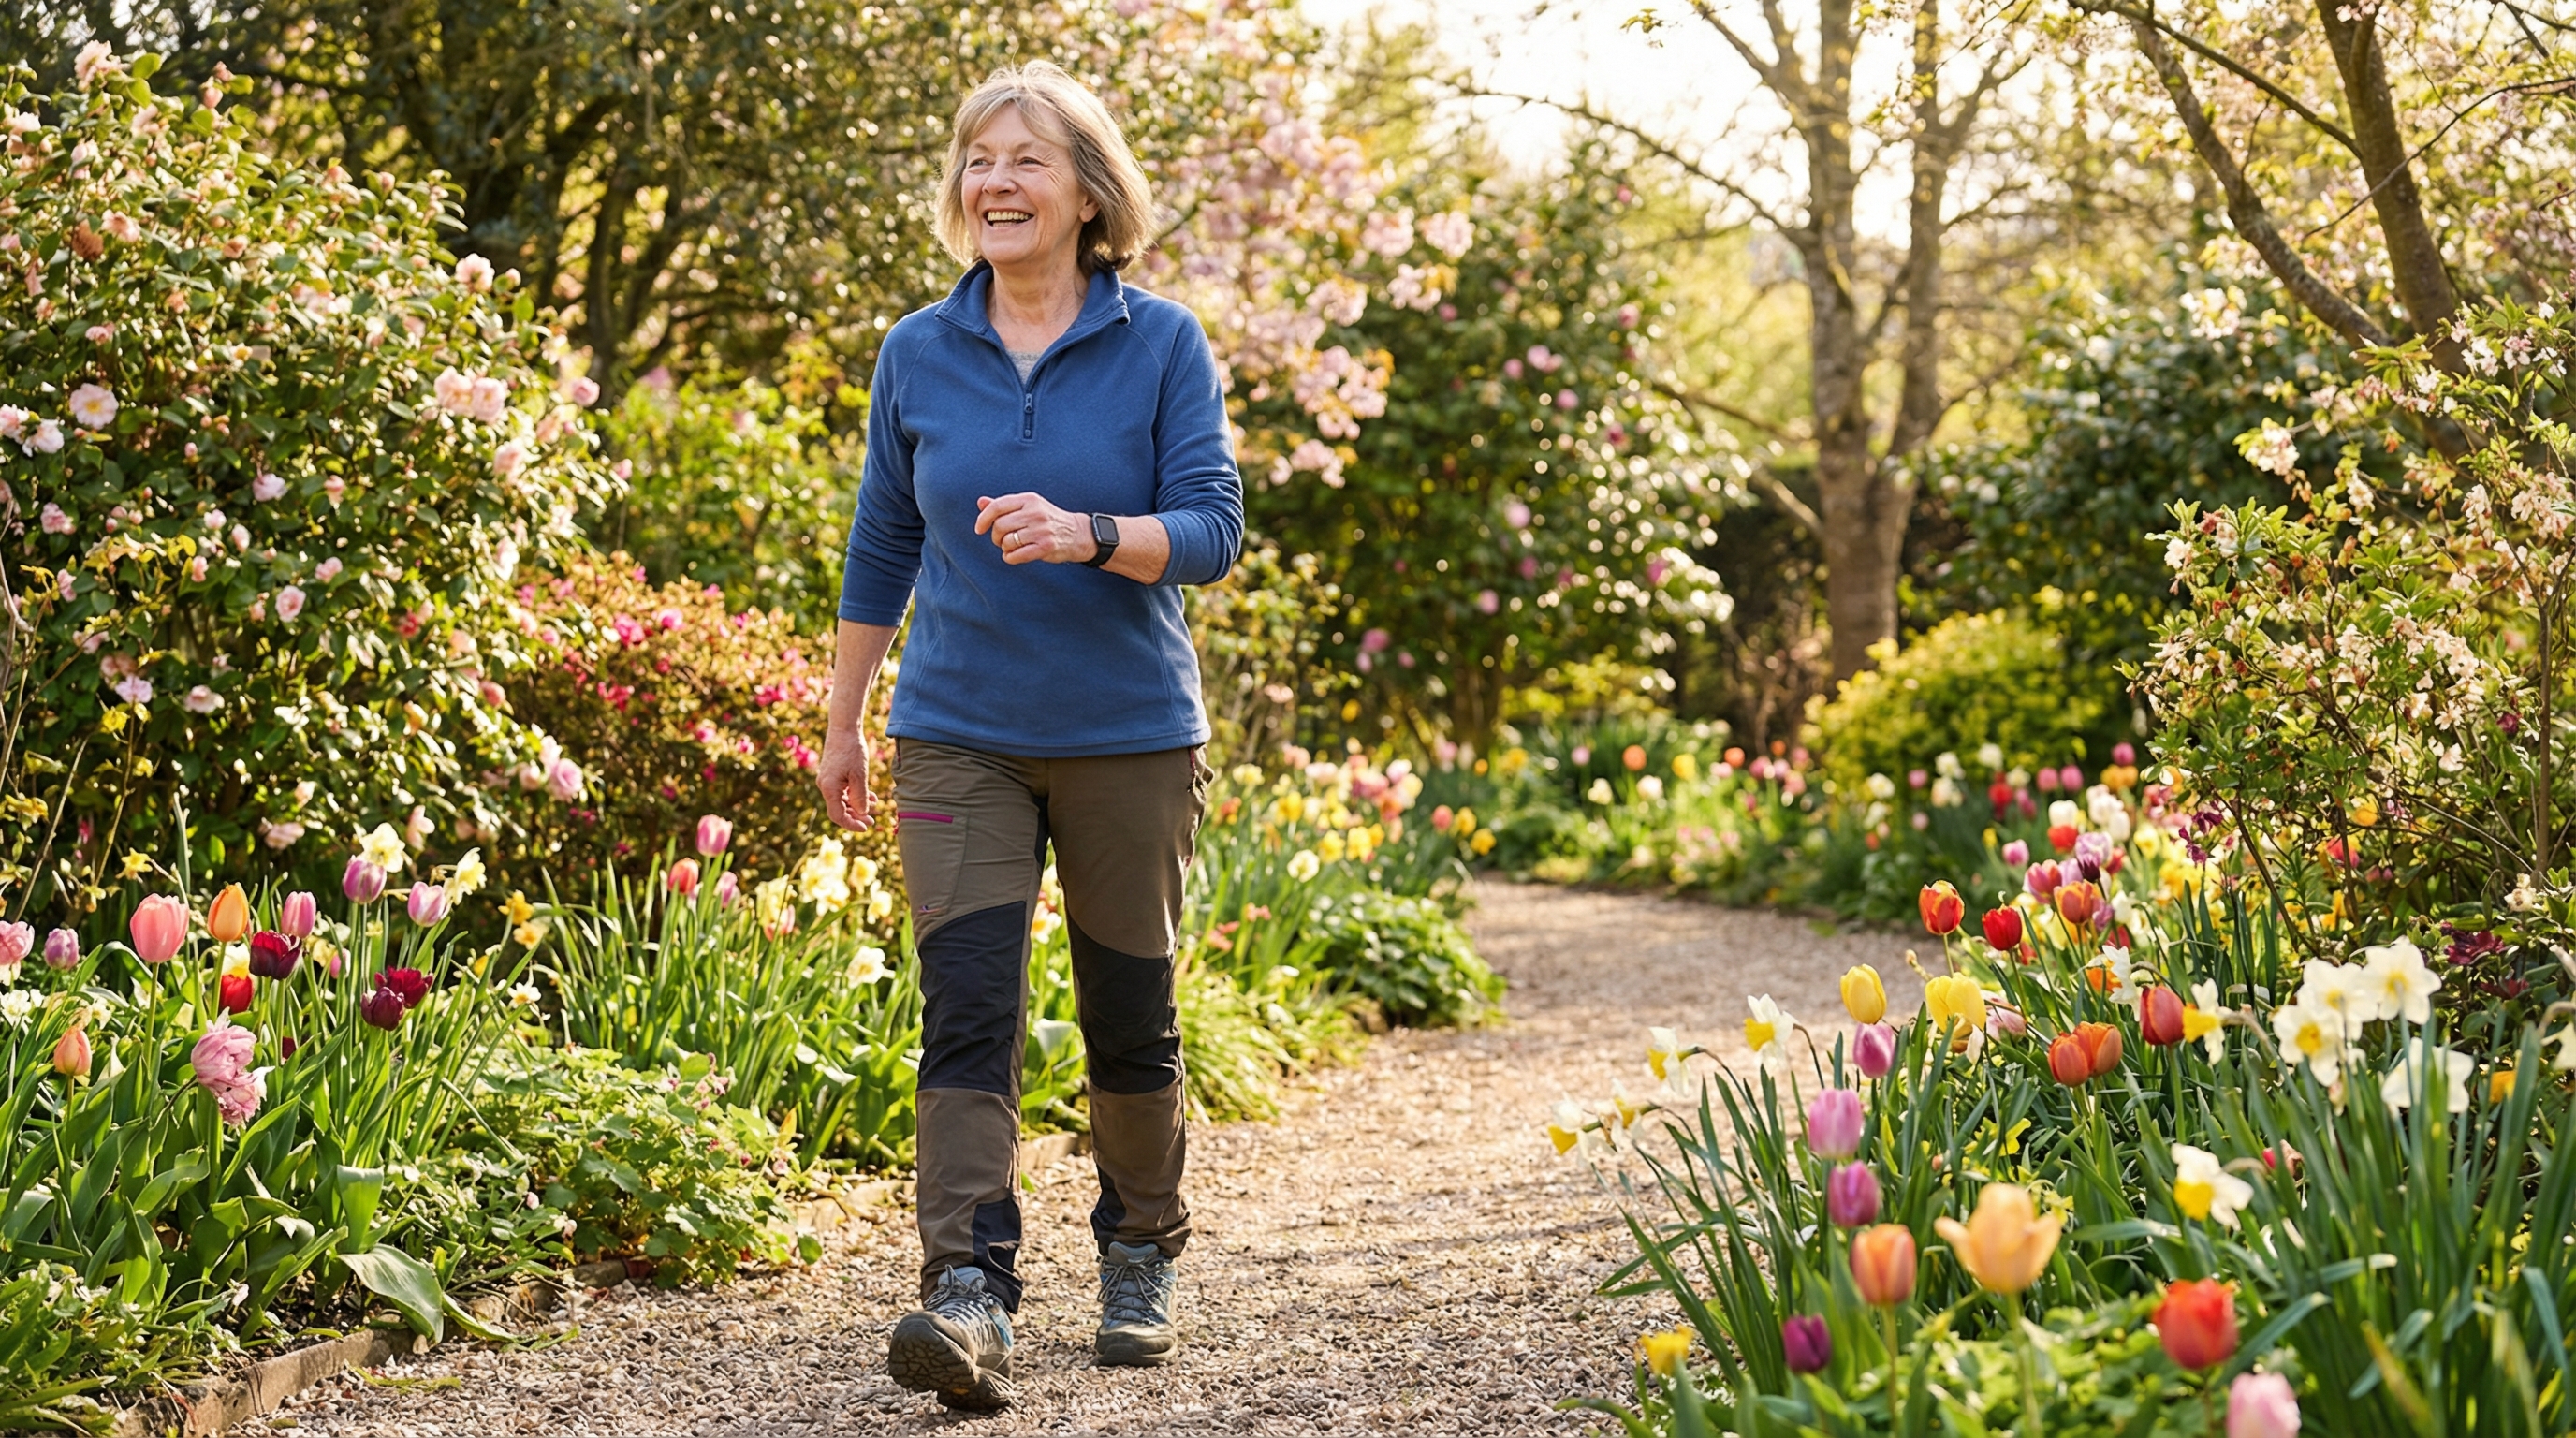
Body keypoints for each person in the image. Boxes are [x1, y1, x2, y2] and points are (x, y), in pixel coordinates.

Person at [814, 60, 1243, 1414]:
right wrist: (846, 719)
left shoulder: (1164, 342)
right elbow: (883, 539)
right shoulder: (916, 351)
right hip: (959, 736)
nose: (993, 182)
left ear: (1085, 190)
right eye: (976, 160)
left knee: (1130, 1013)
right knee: (969, 1013)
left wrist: (1092, 536)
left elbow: (1215, 530)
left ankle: (1139, 1250)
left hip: (1128, 736)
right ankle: (970, 1292)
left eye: (1025, 159)